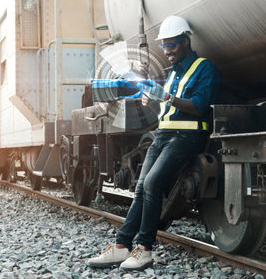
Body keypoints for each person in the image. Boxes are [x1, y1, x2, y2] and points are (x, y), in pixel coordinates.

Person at [87, 15, 222, 271]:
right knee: (141, 188)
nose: (167, 50)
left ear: (185, 42)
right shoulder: (173, 74)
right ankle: (120, 246)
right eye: (164, 46)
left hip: (187, 136)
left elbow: (199, 106)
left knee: (152, 184)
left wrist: (167, 98)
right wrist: (155, 99)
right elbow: (168, 105)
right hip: (164, 135)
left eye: (171, 45)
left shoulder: (206, 69)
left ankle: (145, 249)